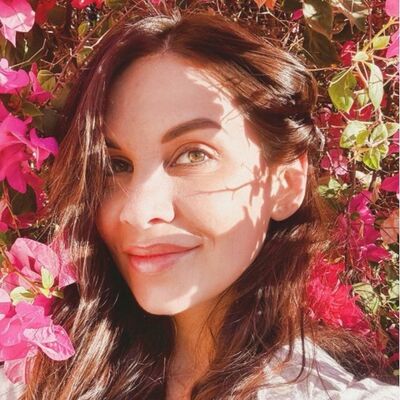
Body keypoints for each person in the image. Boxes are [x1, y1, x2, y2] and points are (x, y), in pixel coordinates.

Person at [1, 9, 398, 400]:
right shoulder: (34, 382)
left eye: (193, 155)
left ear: (286, 183)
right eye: (116, 165)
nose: (138, 212)